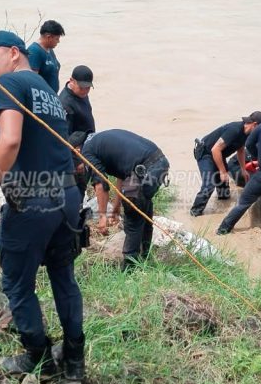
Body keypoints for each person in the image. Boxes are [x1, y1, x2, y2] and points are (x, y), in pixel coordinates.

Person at [0, 31, 86, 381]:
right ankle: (75, 361)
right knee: (63, 276)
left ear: (14, 53)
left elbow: (10, 139)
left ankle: (39, 358)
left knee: (17, 283)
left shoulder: (10, 84)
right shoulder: (48, 90)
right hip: (66, 197)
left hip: (33, 199)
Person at [81, 129, 169, 270]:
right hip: (160, 163)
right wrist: (115, 208)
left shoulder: (87, 151)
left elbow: (100, 184)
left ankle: (130, 268)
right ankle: (145, 258)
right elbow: (122, 175)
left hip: (144, 169)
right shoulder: (99, 141)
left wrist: (102, 217)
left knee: (133, 218)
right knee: (143, 209)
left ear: (77, 149)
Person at [189, 111, 261, 217]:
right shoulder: (234, 130)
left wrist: (243, 169)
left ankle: (221, 205)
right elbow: (215, 149)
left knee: (224, 188)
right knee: (209, 184)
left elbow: (240, 150)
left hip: (218, 154)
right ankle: (195, 213)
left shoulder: (246, 133)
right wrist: (222, 171)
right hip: (206, 153)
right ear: (255, 125)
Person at [58, 65, 96, 195]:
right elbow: (64, 138)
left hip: (86, 146)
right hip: (76, 154)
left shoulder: (80, 93)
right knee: (76, 187)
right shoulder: (65, 103)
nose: (85, 91)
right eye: (82, 87)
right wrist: (77, 162)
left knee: (82, 185)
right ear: (71, 81)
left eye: (88, 88)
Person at [27, 19, 64, 91]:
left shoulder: (49, 49)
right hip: (42, 98)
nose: (58, 41)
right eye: (57, 39)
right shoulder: (34, 51)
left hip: (52, 96)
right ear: (49, 37)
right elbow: (31, 81)